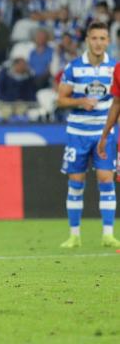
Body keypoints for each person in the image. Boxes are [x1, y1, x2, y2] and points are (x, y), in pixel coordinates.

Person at [58, 22, 120, 249]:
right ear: (87, 40)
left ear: (108, 42)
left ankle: (108, 234)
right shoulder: (74, 67)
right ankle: (74, 235)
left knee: (106, 179)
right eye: (94, 38)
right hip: (78, 133)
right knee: (76, 182)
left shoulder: (115, 68)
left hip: (104, 133)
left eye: (103, 38)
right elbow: (61, 99)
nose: (98, 43)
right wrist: (80, 101)